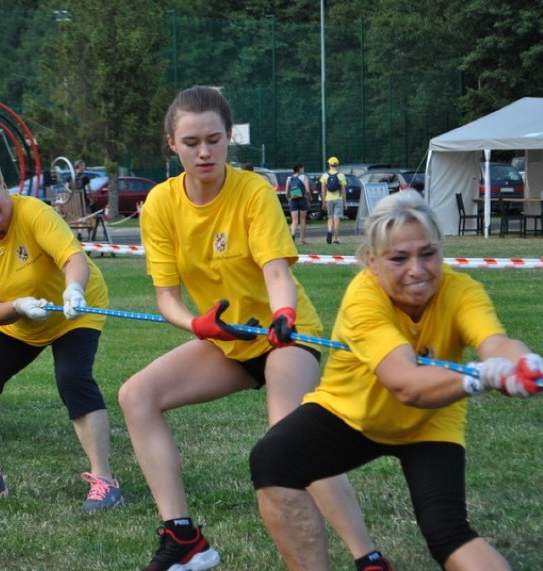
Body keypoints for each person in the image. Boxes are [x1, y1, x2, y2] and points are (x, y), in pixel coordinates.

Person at [117, 86, 390, 571]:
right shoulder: (159, 204)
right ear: (171, 144)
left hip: (285, 333)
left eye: (214, 140)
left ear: (228, 140)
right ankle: (183, 537)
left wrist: (283, 315)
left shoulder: (253, 191)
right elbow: (166, 297)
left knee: (290, 441)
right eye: (192, 141)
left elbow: (277, 273)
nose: (204, 152)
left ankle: (367, 558)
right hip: (228, 339)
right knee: (136, 395)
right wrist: (197, 325)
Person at [250, 190, 543, 570]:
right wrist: (479, 378)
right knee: (273, 461)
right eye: (398, 258)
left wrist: (522, 362)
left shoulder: (461, 290)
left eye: (428, 254)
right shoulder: (363, 298)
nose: (417, 270)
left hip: (429, 423)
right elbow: (404, 382)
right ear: (372, 262)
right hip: (351, 414)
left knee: (448, 532)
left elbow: (496, 342)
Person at [0, 154, 122, 510]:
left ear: (4, 187)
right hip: (22, 317)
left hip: (73, 310)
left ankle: (105, 481)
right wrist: (18, 306)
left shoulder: (35, 213)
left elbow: (73, 258)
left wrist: (74, 290)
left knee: (72, 377)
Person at [319, 156, 346, 244]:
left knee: (330, 217)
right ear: (337, 164)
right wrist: (345, 202)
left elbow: (323, 190)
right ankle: (336, 239)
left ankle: (329, 231)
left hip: (329, 199)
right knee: (337, 218)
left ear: (329, 165)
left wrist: (323, 202)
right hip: (338, 199)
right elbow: (343, 190)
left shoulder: (325, 175)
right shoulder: (341, 175)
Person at [287, 163, 310, 244]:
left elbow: (287, 191)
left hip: (293, 200)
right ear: (300, 169)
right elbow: (307, 190)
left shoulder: (289, 178)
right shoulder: (304, 177)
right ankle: (302, 239)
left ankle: (292, 234)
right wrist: (310, 197)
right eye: (303, 168)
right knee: (302, 219)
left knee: (294, 220)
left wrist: (289, 199)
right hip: (302, 199)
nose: (303, 170)